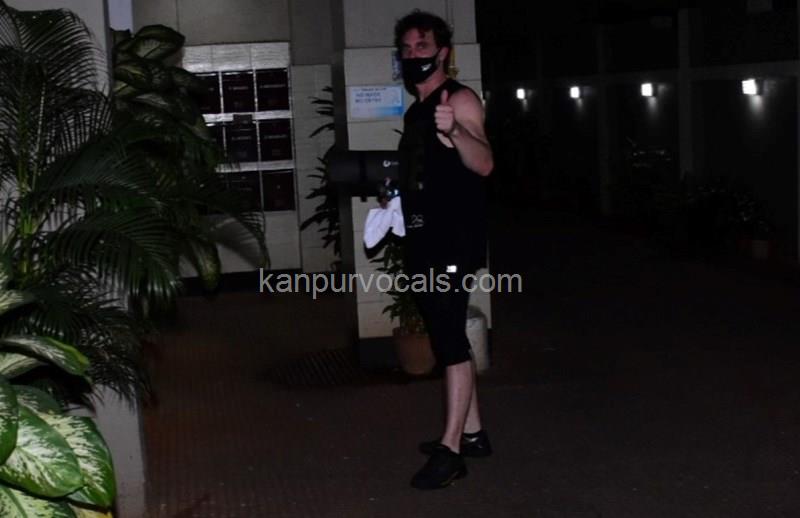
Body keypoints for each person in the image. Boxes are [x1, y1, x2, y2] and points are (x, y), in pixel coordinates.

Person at [393, 10, 494, 490]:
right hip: (426, 237)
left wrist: (455, 131)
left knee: (449, 338)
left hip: (454, 239)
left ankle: (451, 451)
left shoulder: (460, 99)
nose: (414, 55)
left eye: (423, 46)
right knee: (443, 331)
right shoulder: (416, 110)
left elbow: (485, 163)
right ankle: (473, 434)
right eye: (407, 48)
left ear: (443, 53)